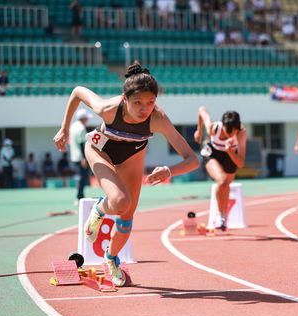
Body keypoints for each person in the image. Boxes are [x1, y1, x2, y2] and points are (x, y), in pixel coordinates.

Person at [53, 61, 199, 286]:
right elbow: (77, 92)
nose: (144, 109)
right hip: (99, 150)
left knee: (126, 216)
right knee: (120, 201)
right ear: (125, 99)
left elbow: (193, 160)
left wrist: (169, 171)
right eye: (138, 102)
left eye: (150, 102)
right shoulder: (109, 109)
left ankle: (111, 259)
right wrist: (64, 128)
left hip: (132, 158)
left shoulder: (158, 119)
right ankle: (100, 208)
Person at [194, 106, 246, 231]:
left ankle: (223, 217)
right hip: (213, 153)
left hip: (230, 155)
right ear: (223, 126)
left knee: (226, 185)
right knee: (221, 180)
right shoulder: (213, 128)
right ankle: (219, 215)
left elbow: (240, 163)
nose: (232, 135)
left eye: (234, 131)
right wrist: (199, 130)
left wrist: (229, 150)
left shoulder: (241, 133)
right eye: (229, 132)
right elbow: (202, 110)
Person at [69, 108, 92, 205]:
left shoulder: (73, 126)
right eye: (86, 118)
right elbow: (82, 144)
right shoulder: (81, 128)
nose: (87, 120)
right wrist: (84, 158)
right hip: (81, 157)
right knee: (83, 178)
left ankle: (80, 196)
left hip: (74, 156)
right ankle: (79, 197)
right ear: (82, 118)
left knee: (81, 177)